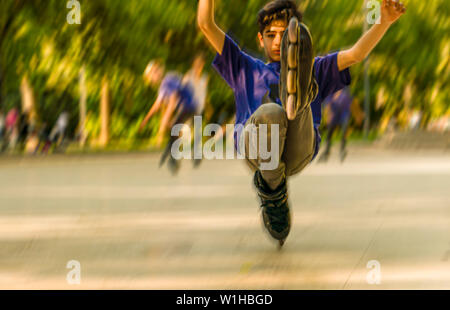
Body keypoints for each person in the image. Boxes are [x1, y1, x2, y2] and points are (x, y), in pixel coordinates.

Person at [197, 0, 406, 245]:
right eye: (270, 35)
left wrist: (383, 23)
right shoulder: (244, 67)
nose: (277, 42)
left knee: (293, 104)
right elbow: (205, 24)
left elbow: (356, 54)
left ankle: (299, 91)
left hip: (298, 146)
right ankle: (274, 190)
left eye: (285, 36)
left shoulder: (317, 66)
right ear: (260, 39)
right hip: (256, 148)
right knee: (270, 113)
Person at [140, 56, 208, 174]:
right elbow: (157, 104)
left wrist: (166, 118)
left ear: (158, 72)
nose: (152, 79)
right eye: (150, 77)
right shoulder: (163, 85)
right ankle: (194, 154)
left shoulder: (168, 79)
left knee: (174, 129)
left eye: (153, 75)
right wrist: (146, 119)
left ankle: (175, 160)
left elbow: (173, 98)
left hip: (189, 106)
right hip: (190, 107)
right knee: (175, 130)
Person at [319, 87, 353, 163]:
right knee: (330, 132)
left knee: (344, 130)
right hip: (334, 112)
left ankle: (342, 149)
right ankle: (327, 151)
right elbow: (327, 101)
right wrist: (329, 113)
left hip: (343, 112)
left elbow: (347, 100)